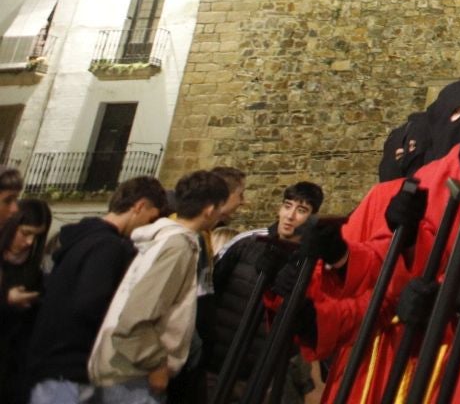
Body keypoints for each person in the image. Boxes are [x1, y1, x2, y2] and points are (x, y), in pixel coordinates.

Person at [20, 178, 167, 404]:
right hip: (68, 367)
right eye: (152, 217)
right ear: (139, 206)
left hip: (52, 362)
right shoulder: (108, 247)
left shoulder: (82, 237)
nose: (149, 225)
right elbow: (90, 304)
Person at [87, 171, 230, 404]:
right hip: (133, 377)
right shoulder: (177, 247)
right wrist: (156, 366)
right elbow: (136, 317)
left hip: (125, 372)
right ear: (210, 208)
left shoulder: (164, 239)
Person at [199, 184, 323, 403]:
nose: (290, 216)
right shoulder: (247, 243)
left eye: (301, 210)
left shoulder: (311, 266)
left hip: (260, 376)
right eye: (287, 206)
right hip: (215, 363)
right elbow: (210, 291)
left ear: (312, 218)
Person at [3, 199, 53, 403]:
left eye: (37, 236)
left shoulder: (34, 275)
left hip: (14, 375)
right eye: (25, 233)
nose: (30, 242)